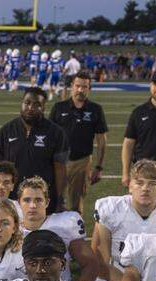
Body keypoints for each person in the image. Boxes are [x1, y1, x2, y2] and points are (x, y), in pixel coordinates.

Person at [0, 87, 70, 214]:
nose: (30, 108)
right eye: (27, 103)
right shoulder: (7, 130)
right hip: (12, 197)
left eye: (37, 105)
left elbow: (60, 168)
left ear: (44, 108)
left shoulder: (56, 133)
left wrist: (59, 199)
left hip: (41, 197)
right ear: (22, 103)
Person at [49, 71, 108, 217]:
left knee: (76, 204)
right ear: (71, 86)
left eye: (84, 87)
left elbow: (101, 140)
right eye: (77, 86)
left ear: (89, 89)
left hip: (82, 161)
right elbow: (48, 136)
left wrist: (98, 167)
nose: (80, 90)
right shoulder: (59, 107)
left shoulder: (95, 109)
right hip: (59, 162)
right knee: (55, 202)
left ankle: (76, 236)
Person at [92, 160, 156, 277]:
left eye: (152, 183)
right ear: (130, 186)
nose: (145, 188)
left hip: (155, 278)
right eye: (139, 183)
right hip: (116, 274)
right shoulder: (111, 209)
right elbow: (100, 261)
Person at [17, 177, 95, 281]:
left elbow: (90, 264)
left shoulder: (65, 225)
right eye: (27, 200)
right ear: (19, 202)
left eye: (38, 200)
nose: (33, 206)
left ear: (47, 202)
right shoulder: (10, 230)